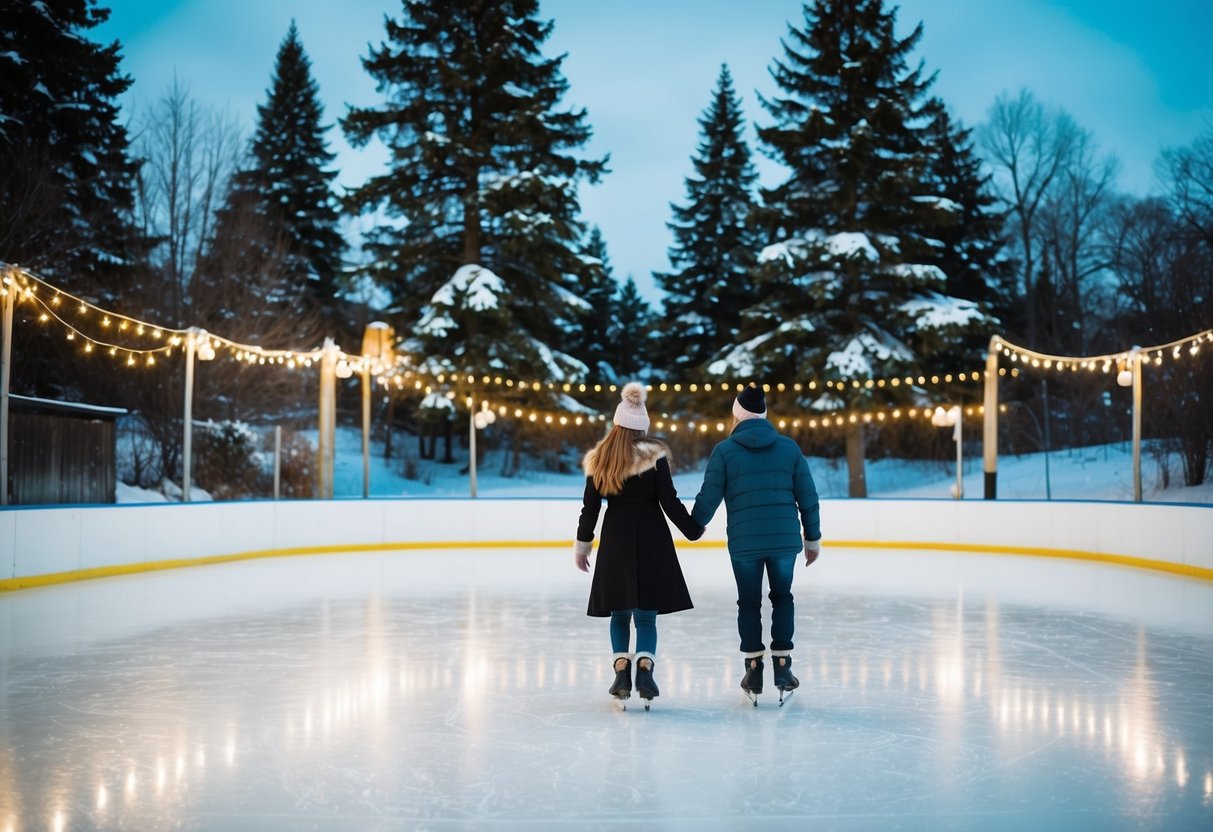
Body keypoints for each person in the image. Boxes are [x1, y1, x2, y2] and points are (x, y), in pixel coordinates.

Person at [690, 383, 821, 705]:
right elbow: (808, 497)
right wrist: (812, 538)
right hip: (784, 542)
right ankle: (782, 667)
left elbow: (709, 496)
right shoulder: (789, 448)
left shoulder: (724, 451)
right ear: (764, 415)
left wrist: (693, 526)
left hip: (744, 543)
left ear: (737, 416)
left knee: (748, 602)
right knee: (782, 597)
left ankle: (753, 669)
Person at [574, 382, 703, 709]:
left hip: (615, 538)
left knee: (619, 612)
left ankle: (621, 672)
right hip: (652, 537)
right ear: (642, 426)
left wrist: (583, 545)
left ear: (617, 424)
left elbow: (591, 508)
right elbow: (669, 500)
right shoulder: (654, 456)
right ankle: (644, 668)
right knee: (646, 616)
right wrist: (692, 528)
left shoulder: (599, 458)